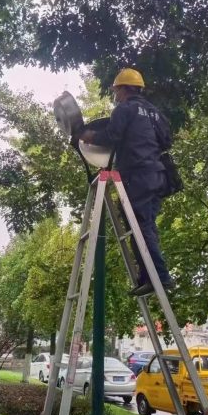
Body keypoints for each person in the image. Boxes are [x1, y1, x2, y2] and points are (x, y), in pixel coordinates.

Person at [79, 68, 174, 296]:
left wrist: (89, 137)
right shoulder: (154, 113)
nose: (116, 95)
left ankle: (160, 278)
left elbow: (112, 136)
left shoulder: (125, 109)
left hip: (137, 175)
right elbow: (166, 141)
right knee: (146, 226)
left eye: (116, 90)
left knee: (141, 227)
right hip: (158, 176)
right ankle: (147, 277)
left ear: (122, 89)